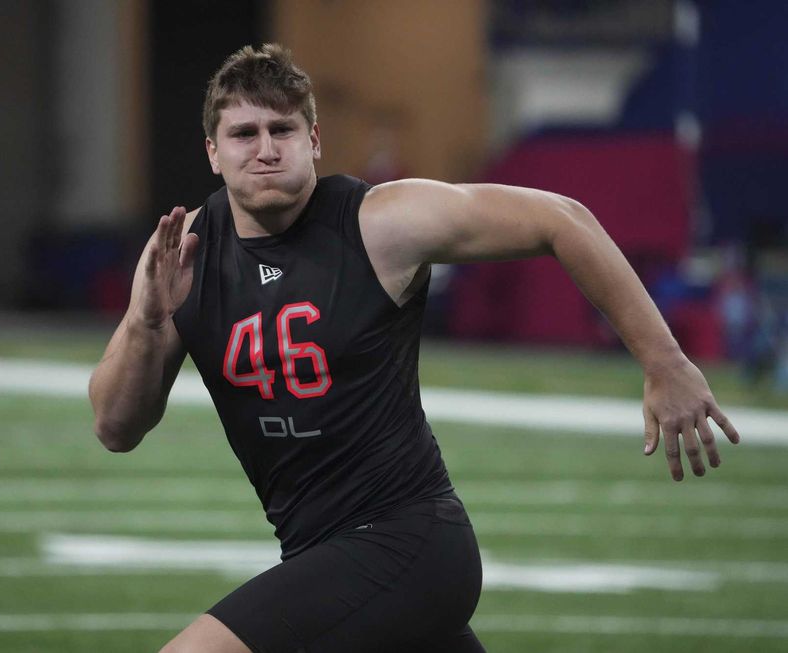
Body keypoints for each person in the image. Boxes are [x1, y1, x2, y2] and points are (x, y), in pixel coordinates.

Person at [88, 44, 741, 653]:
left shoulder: (378, 222)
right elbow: (116, 425)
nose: (265, 150)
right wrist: (147, 321)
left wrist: (665, 361)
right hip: (323, 552)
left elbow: (561, 218)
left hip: (408, 540)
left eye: (282, 130)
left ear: (313, 140)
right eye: (244, 134)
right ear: (213, 152)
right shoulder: (186, 250)